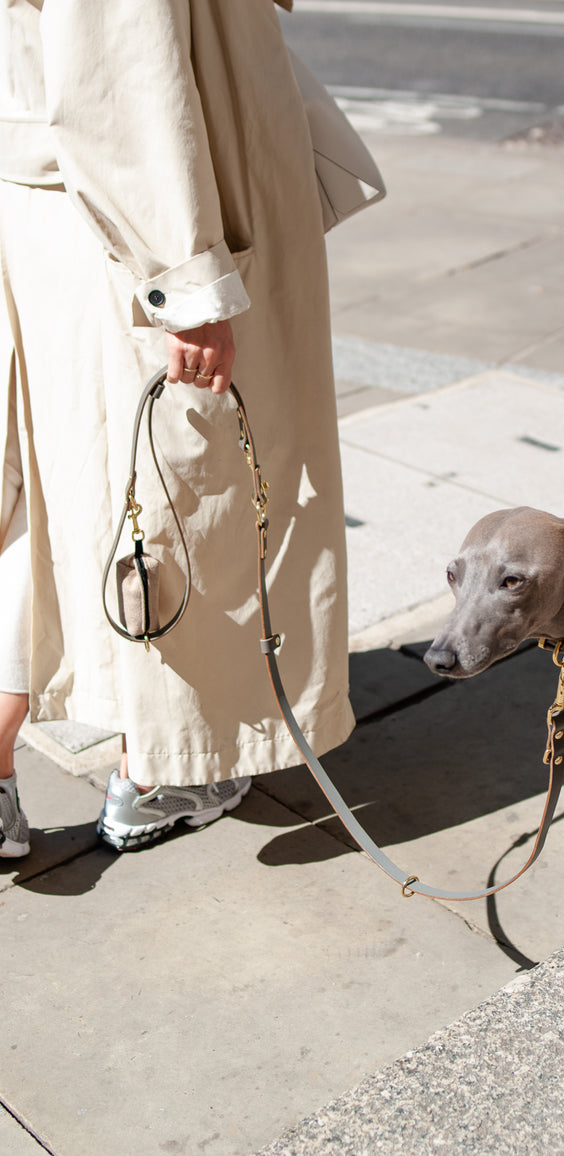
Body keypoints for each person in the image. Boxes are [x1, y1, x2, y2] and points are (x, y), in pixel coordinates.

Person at [0, 0, 355, 855]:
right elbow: (122, 74)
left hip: (70, 208)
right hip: (136, 228)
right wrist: (184, 284)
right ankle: (157, 773)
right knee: (169, 498)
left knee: (51, 496)